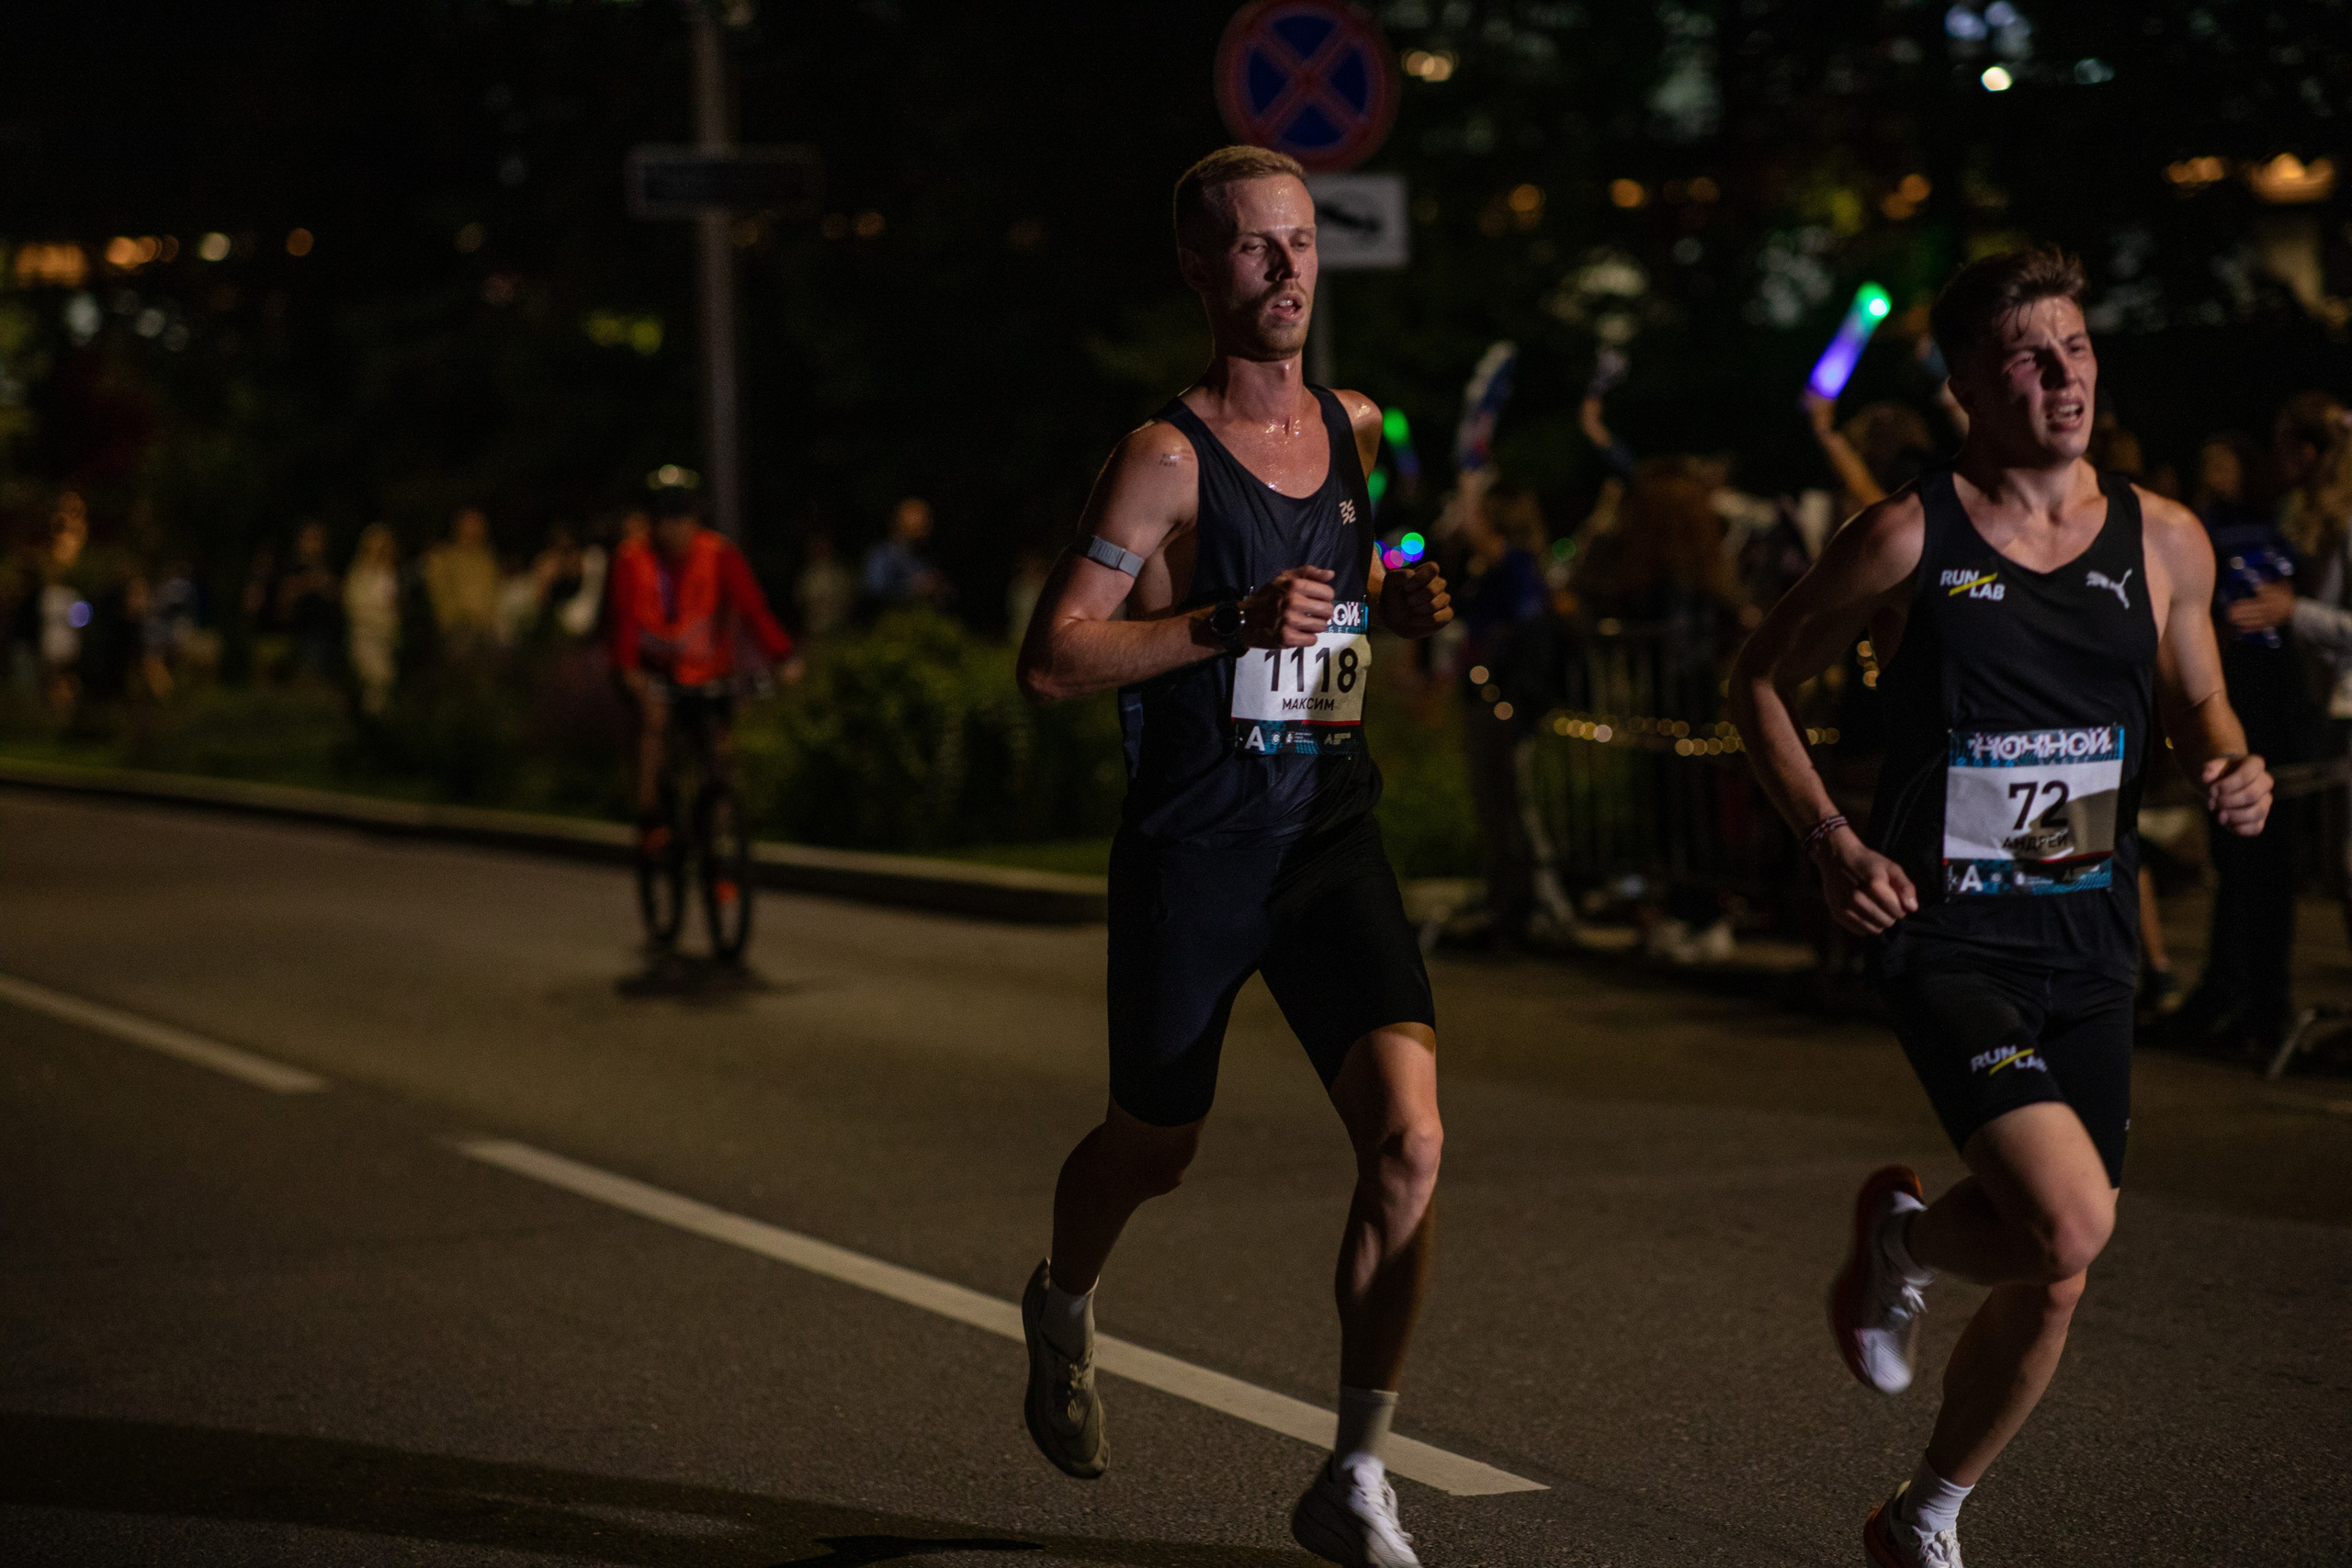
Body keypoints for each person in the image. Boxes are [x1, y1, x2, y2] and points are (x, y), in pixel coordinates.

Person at [1727, 245, 2271, 1568]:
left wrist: (2229, 761)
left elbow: (2199, 691)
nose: (2063, 374)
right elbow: (1755, 680)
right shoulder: (1915, 532)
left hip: (2089, 935)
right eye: (2030, 356)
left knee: (2056, 1267)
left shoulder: (2166, 536)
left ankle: (1925, 1512)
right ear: (1970, 381)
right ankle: (1908, 1236)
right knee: (2074, 1217)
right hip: (1947, 929)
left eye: (2076, 348)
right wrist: (1835, 839)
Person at [1012, 145, 1453, 1568]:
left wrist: (1408, 588)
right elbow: (1055, 657)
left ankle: (1356, 1471)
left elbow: (1362, 574)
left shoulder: (1361, 425)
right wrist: (1223, 625)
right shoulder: (1161, 456)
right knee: (1155, 1147)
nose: (1285, 270)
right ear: (1201, 271)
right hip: (1197, 853)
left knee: (1411, 1138)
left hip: (1327, 832)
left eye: (1302, 242)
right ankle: (1064, 1298)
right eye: (1254, 249)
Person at [605, 483, 797, 838]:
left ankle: (718, 852)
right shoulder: (633, 558)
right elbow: (623, 621)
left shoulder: (719, 553)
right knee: (656, 724)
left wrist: (783, 657)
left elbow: (753, 609)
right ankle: (651, 819)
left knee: (719, 755)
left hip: (707, 671)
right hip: (656, 671)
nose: (674, 528)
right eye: (665, 519)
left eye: (682, 518)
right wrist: (629, 669)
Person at [424, 506, 501, 652]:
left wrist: (490, 619)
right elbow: (440, 594)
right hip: (458, 628)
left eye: (480, 524)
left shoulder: (487, 559)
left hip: (487, 627)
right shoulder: (443, 557)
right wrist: (457, 620)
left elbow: (494, 591)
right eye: (471, 524)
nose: (477, 529)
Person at [345, 524, 402, 716]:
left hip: (386, 637)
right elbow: (355, 607)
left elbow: (394, 606)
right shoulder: (359, 575)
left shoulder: (389, 574)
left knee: (385, 682)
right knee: (373, 681)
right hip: (366, 637)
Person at [862, 496, 949, 612]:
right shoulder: (883, 556)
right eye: (918, 530)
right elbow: (874, 591)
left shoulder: (923, 558)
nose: (925, 534)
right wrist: (912, 589)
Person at [795, 531, 857, 640]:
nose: (820, 550)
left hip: (839, 629)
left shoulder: (839, 574)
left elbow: (850, 600)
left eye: (823, 546)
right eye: (817, 547)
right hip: (814, 629)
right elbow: (800, 602)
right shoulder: (807, 577)